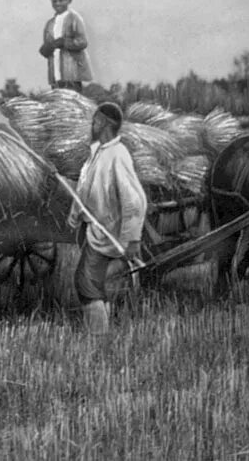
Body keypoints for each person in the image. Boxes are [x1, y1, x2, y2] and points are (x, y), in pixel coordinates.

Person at [67, 103, 147, 335]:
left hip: (111, 233)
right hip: (98, 232)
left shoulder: (117, 155)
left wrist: (132, 239)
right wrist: (74, 217)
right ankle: (104, 330)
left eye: (94, 121)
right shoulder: (97, 153)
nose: (91, 125)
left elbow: (135, 200)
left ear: (103, 124)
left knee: (86, 283)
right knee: (98, 283)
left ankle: (98, 336)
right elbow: (84, 192)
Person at [39, 0, 93, 93]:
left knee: (72, 104)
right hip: (54, 75)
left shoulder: (74, 18)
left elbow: (82, 42)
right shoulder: (50, 23)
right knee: (58, 106)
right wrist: (45, 48)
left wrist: (63, 42)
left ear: (69, 0)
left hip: (72, 74)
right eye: (54, 1)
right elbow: (46, 50)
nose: (57, 3)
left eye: (61, 0)